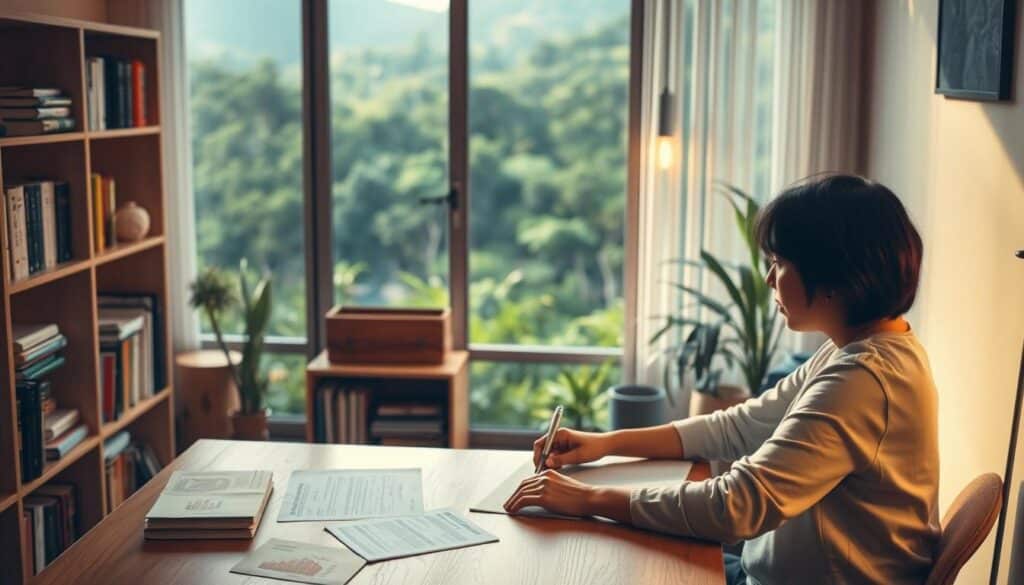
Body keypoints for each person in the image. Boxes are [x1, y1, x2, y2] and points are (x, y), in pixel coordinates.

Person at [503, 175, 940, 585]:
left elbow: (738, 506)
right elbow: (738, 427)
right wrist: (607, 443)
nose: (769, 278)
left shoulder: (862, 380)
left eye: (780, 263)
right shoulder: (860, 349)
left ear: (832, 277)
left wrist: (588, 500)